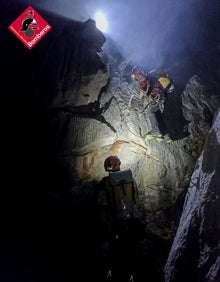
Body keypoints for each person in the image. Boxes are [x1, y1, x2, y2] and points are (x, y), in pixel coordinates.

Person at [95, 155, 145, 282]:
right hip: (133, 219)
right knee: (132, 247)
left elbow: (102, 204)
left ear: (107, 168)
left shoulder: (105, 183)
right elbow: (137, 198)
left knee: (116, 249)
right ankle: (133, 274)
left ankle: (115, 273)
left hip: (117, 222)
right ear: (119, 164)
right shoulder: (130, 179)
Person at [131, 65, 174, 142]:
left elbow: (157, 89)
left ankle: (156, 132)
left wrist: (153, 93)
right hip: (157, 99)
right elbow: (144, 92)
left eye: (139, 75)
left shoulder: (152, 77)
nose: (139, 78)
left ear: (143, 72)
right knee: (157, 114)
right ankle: (166, 136)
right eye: (137, 77)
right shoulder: (144, 82)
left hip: (160, 99)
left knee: (151, 111)